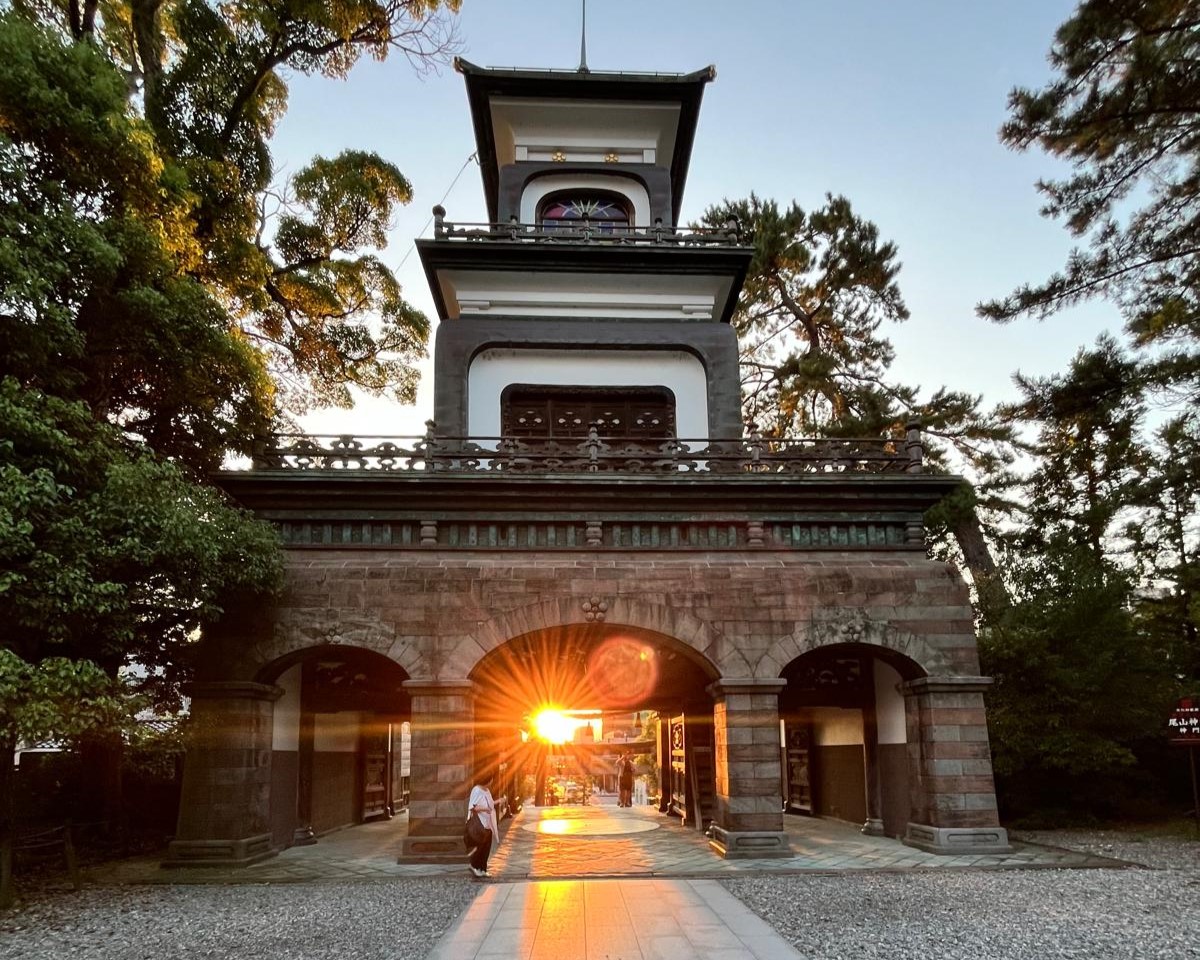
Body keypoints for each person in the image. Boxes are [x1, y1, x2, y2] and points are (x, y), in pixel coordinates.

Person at [466, 771, 496, 878]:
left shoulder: (487, 791)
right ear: (487, 780)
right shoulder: (477, 790)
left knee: (486, 848)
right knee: (480, 847)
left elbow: (490, 805)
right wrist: (486, 809)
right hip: (479, 824)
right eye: (491, 779)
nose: (492, 781)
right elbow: (473, 807)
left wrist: (498, 801)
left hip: (487, 824)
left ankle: (483, 869)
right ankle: (474, 866)